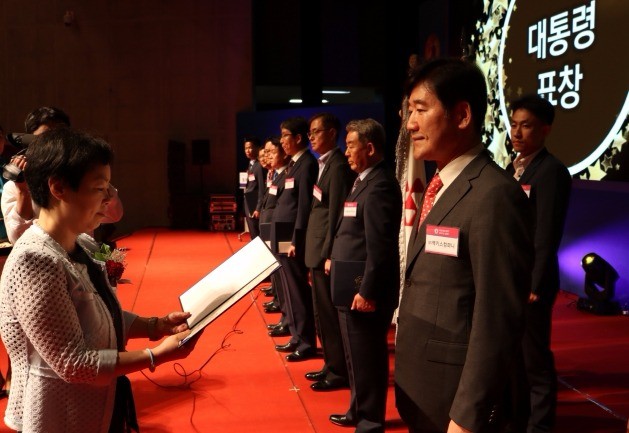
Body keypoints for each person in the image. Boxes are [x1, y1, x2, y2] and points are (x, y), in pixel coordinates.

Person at [0, 127, 201, 433]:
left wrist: (154, 326)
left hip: (98, 404)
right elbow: (73, 363)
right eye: (99, 188)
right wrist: (156, 356)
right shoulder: (35, 260)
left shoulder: (78, 243)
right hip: (60, 416)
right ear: (59, 188)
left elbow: (100, 313)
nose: (108, 198)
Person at [394, 58, 534, 433]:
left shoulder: (494, 196)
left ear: (462, 115)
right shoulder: (443, 185)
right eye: (410, 111)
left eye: (421, 110)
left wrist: (468, 416)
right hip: (424, 390)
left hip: (456, 407)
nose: (410, 124)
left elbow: (498, 320)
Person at [327, 118, 402, 431]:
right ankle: (358, 409)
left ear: (370, 148)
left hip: (365, 292)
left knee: (368, 357)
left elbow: (380, 246)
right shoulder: (362, 181)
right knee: (355, 356)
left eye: (351, 145)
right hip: (350, 286)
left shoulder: (381, 184)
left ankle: (371, 419)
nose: (346, 152)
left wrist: (368, 291)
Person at [507, 94, 572, 433]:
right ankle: (519, 419)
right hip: (508, 278)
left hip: (531, 283)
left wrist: (534, 284)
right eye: (514, 124)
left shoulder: (552, 172)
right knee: (513, 357)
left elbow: (546, 233)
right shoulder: (512, 167)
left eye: (526, 126)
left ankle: (541, 426)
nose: (517, 132)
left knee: (534, 359)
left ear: (545, 129)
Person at [1, 106, 123, 245]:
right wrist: (23, 192)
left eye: (60, 137)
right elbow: (17, 238)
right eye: (46, 138)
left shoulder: (82, 179)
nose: (55, 145)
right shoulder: (14, 187)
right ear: (31, 142)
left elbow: (114, 214)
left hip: (81, 259)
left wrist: (99, 183)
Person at [304, 113, 355, 392]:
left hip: (323, 251)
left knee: (329, 314)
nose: (311, 137)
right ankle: (330, 363)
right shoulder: (324, 164)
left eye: (316, 132)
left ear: (331, 133)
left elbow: (336, 214)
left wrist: (328, 254)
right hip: (314, 249)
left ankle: (338, 371)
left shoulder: (337, 166)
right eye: (310, 132)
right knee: (320, 314)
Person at [271, 116, 318, 361]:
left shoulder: (308, 164)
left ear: (298, 138)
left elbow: (303, 206)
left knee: (298, 289)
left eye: (285, 136)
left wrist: (296, 240)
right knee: (288, 287)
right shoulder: (292, 165)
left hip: (291, 236)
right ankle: (296, 334)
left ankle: (306, 341)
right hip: (281, 233)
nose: (282, 142)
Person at [259, 137, 292, 334]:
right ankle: (285, 316)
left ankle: (289, 320)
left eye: (272, 152)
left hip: (284, 232)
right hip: (273, 228)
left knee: (288, 280)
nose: (268, 156)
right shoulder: (277, 174)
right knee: (280, 277)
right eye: (267, 152)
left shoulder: (287, 173)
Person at [242, 136, 265, 239]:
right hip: (249, 199)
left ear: (258, 148)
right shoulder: (251, 165)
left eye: (250, 147)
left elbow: (261, 187)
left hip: (254, 201)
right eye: (246, 148)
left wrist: (258, 208)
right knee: (252, 231)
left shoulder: (259, 165)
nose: (247, 150)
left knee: (256, 232)